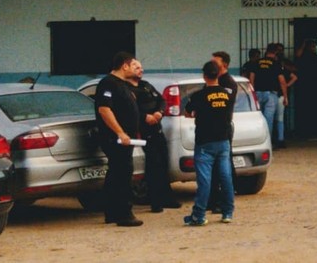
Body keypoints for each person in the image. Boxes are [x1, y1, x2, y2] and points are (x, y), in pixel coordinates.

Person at [183, 60, 236, 226]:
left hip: (205, 142)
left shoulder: (199, 95)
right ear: (218, 74)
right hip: (223, 140)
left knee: (204, 180)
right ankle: (227, 212)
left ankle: (199, 215)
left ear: (204, 76)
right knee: (225, 176)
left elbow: (188, 112)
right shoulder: (227, 93)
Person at [95, 52, 144, 226]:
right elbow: (104, 110)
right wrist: (120, 132)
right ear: (124, 66)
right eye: (133, 66)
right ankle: (124, 213)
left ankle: (112, 212)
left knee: (115, 173)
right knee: (123, 173)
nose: (137, 69)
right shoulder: (108, 83)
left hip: (126, 138)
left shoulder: (123, 85)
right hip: (115, 139)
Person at [127, 60, 180, 213]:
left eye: (141, 67)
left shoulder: (146, 85)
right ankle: (155, 201)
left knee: (163, 163)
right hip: (143, 132)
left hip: (157, 129)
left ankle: (167, 197)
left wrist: (160, 112)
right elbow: (130, 110)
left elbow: (161, 100)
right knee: (153, 166)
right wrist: (144, 117)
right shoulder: (127, 89)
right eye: (136, 67)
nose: (140, 70)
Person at [207, 51, 237, 213]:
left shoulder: (228, 83)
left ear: (224, 64)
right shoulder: (213, 81)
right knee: (212, 168)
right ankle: (213, 200)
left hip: (223, 129)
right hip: (210, 130)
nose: (212, 64)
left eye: (215, 61)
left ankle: (224, 201)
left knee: (223, 168)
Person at [249, 44, 288, 149]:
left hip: (257, 93)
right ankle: (267, 144)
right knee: (268, 120)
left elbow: (251, 78)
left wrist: (253, 93)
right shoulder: (276, 64)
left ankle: (258, 142)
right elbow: (282, 81)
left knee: (258, 119)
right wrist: (285, 96)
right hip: (271, 94)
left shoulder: (257, 62)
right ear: (275, 52)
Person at [294, 39, 317, 138]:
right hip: (307, 87)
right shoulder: (304, 57)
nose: (314, 48)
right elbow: (297, 55)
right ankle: (307, 132)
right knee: (307, 110)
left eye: (315, 46)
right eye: (312, 46)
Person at [273, 43, 298, 148]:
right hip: (280, 94)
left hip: (279, 94)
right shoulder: (278, 66)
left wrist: (286, 86)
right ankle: (280, 139)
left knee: (277, 118)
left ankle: (279, 138)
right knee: (279, 118)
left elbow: (294, 75)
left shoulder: (282, 65)